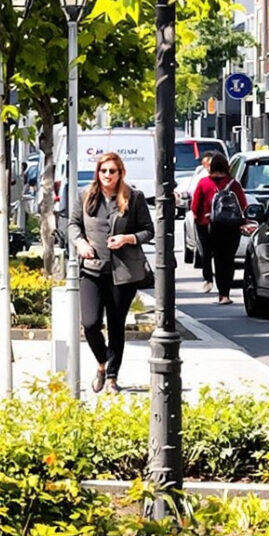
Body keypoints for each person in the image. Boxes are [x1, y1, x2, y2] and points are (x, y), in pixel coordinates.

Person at [70, 152, 155, 392]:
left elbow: (148, 231)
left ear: (120, 173)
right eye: (103, 170)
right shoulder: (86, 196)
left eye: (112, 171)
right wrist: (81, 243)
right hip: (92, 271)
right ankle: (101, 362)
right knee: (90, 323)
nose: (107, 175)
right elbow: (73, 225)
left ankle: (111, 378)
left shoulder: (134, 197)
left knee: (116, 325)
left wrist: (128, 238)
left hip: (123, 273)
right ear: (98, 172)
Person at [189, 151, 255, 305]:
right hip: (231, 227)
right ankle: (226, 294)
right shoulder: (234, 184)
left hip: (210, 226)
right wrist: (243, 222)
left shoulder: (203, 183)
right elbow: (243, 205)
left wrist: (201, 218)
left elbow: (194, 206)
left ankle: (218, 291)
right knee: (228, 260)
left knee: (216, 259)